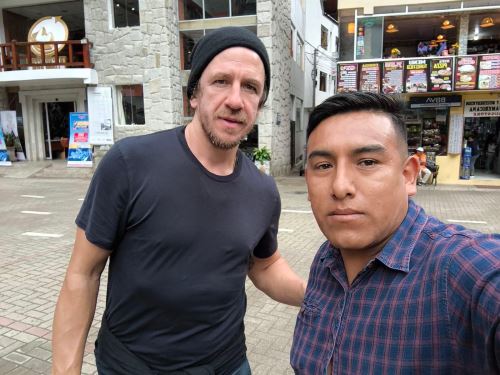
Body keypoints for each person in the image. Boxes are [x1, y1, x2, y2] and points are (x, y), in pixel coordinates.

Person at [52, 27, 306, 375]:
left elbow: (264, 265)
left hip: (228, 365)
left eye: (250, 87)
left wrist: (317, 296)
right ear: (194, 95)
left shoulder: (262, 191)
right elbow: (84, 272)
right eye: (221, 81)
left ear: (259, 105)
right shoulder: (130, 163)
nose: (235, 99)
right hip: (134, 366)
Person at [290, 92, 500, 374]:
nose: (340, 187)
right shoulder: (326, 259)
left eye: (367, 162)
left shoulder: (458, 271)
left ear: (409, 175)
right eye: (324, 166)